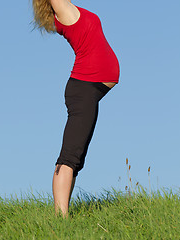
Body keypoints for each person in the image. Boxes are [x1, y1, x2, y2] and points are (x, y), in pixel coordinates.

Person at [32, 0, 120, 217]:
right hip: (83, 89)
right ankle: (60, 219)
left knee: (76, 158)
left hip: (88, 90)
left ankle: (64, 215)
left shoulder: (70, 9)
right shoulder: (64, 10)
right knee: (69, 157)